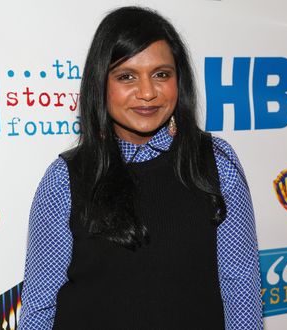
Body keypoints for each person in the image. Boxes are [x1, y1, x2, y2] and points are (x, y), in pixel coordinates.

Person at [18, 6, 263, 330]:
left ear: (180, 80)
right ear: (100, 84)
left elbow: (240, 288)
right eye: (126, 76)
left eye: (161, 74)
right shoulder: (65, 179)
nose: (147, 92)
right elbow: (39, 306)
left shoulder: (215, 163)